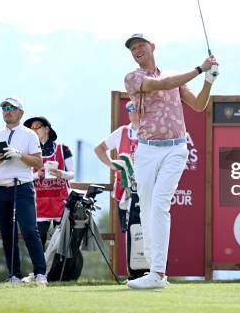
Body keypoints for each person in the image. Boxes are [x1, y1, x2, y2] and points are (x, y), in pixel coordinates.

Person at [123, 33, 218, 289]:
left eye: (141, 45)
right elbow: (161, 85)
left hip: (175, 149)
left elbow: (198, 105)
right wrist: (200, 69)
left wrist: (208, 80)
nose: (137, 50)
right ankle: (155, 272)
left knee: (160, 205)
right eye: (133, 48)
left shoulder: (174, 77)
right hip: (146, 149)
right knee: (146, 208)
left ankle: (157, 273)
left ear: (153, 47)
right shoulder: (133, 77)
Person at [0, 97, 48, 286]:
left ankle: (40, 273)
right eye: (4, 108)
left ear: (21, 112)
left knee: (29, 230)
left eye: (11, 108)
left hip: (22, 187)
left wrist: (18, 155)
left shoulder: (29, 135)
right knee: (7, 233)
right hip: (0, 188)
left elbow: (38, 163)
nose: (7, 111)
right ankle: (14, 275)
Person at [22, 116, 74, 248]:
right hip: (39, 204)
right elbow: (23, 176)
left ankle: (58, 269)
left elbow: (72, 174)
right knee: (38, 244)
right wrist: (36, 175)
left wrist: (60, 174)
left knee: (61, 245)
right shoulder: (29, 152)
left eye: (36, 127)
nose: (33, 130)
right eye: (31, 128)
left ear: (47, 129)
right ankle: (40, 269)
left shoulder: (63, 149)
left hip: (61, 203)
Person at [94, 100, 139, 230]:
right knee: (128, 231)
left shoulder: (151, 133)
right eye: (129, 109)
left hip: (145, 190)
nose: (132, 112)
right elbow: (99, 148)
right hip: (125, 189)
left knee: (144, 233)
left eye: (135, 108)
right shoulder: (122, 132)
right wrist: (111, 164)